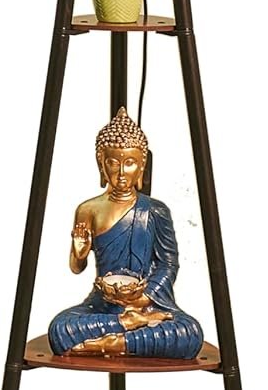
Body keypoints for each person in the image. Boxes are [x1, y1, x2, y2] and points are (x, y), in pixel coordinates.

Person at [48, 107, 204, 359]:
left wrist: (144, 298)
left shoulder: (155, 211)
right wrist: (79, 252)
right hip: (102, 305)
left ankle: (115, 343)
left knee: (189, 332)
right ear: (101, 163)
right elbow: (77, 268)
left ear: (141, 165)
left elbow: (168, 264)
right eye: (113, 162)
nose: (121, 173)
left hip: (146, 305)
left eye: (129, 163)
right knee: (60, 329)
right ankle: (126, 327)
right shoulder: (88, 210)